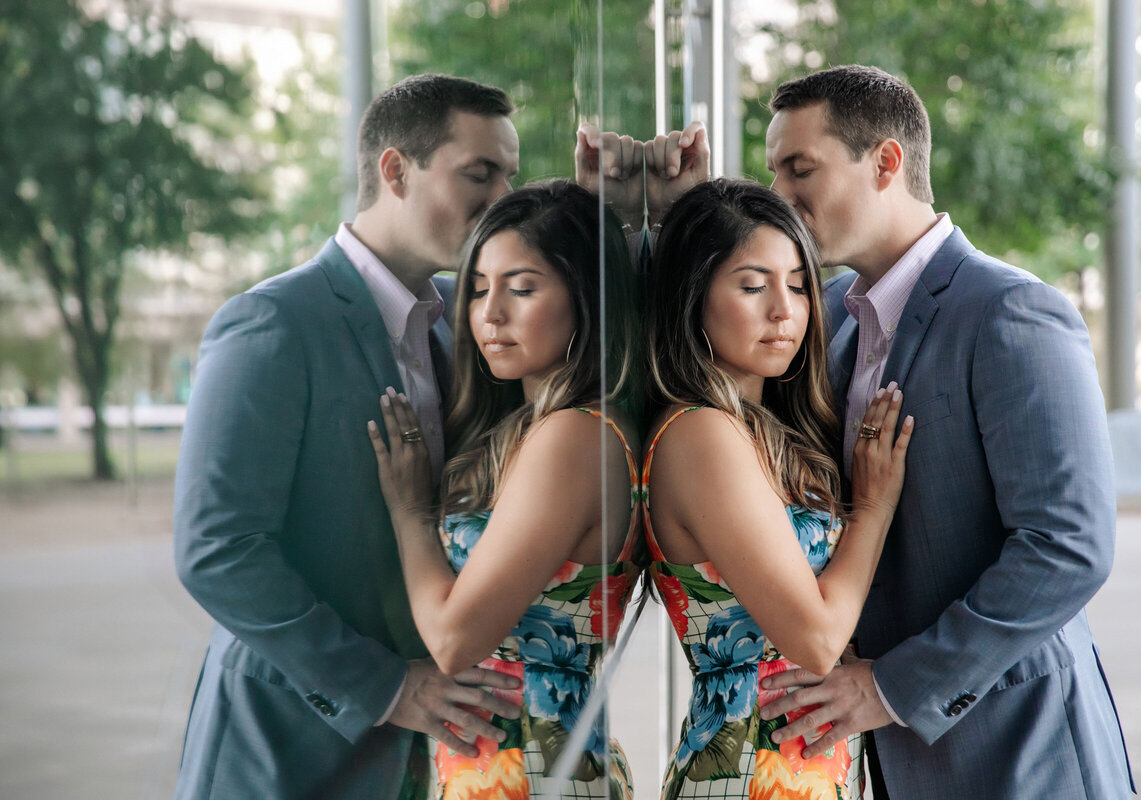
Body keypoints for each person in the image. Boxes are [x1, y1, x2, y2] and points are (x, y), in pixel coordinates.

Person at [755, 65, 1135, 798]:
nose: (781, 198)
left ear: (886, 163)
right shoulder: (828, 318)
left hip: (1020, 754)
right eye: (773, 173)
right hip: (893, 767)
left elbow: (1069, 546)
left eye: (800, 169)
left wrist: (890, 689)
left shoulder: (1011, 312)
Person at [172, 74, 523, 799]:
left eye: (508, 178)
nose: (501, 203)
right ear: (396, 171)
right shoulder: (272, 325)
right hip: (284, 753)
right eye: (478, 175)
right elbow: (216, 549)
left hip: (430, 762)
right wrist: (386, 687)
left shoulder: (471, 318)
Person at [368, 179, 642, 798]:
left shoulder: (575, 436)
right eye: (478, 289)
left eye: (521, 289)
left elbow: (453, 639)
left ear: (585, 300)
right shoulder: (535, 429)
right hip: (525, 761)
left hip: (528, 770)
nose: (490, 314)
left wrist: (412, 512)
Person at [641, 178, 912, 799]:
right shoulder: (701, 434)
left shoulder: (766, 431)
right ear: (693, 297)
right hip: (748, 776)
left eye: (796, 284)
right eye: (751, 285)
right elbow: (816, 641)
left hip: (801, 772)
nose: (784, 311)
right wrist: (870, 507)